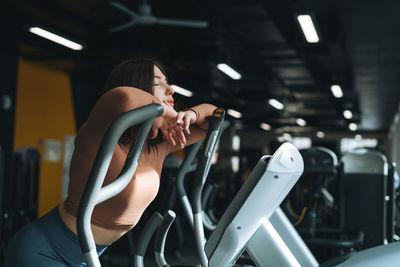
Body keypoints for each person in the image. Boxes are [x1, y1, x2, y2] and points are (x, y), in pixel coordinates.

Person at [4, 58, 217, 266]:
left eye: (167, 82)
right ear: (138, 86)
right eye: (157, 83)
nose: (170, 88)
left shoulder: (158, 149)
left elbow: (216, 118)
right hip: (44, 250)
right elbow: (122, 96)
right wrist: (165, 113)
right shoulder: (101, 134)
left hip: (89, 255)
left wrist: (190, 114)